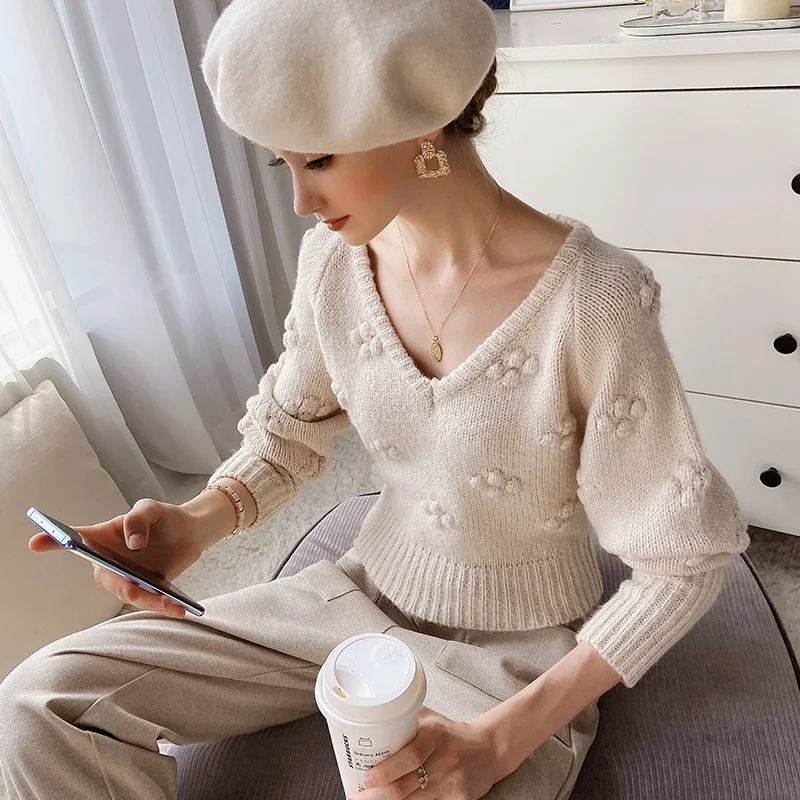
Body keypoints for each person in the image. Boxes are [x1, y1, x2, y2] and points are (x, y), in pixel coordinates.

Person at [0, 0, 750, 798]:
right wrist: (196, 524)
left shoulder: (594, 299)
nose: (300, 200)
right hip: (346, 603)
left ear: (420, 120)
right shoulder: (332, 263)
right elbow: (289, 434)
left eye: (318, 160)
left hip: (512, 660)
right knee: (39, 701)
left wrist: (501, 741)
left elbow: (682, 563)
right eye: (280, 165)